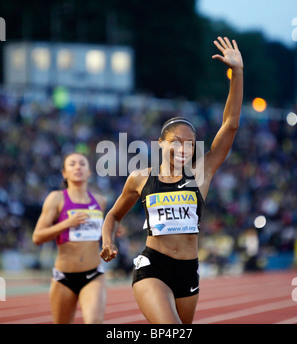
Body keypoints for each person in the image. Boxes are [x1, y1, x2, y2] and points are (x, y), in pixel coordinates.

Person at [100, 36, 243, 324]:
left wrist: (237, 73)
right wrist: (107, 240)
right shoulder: (141, 178)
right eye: (176, 142)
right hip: (153, 266)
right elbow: (114, 215)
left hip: (189, 270)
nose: (184, 148)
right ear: (161, 144)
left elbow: (230, 124)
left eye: (190, 144)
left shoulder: (200, 175)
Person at [32, 152, 107, 324]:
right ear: (64, 173)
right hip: (63, 276)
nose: (78, 167)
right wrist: (66, 223)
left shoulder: (100, 201)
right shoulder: (56, 198)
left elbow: (98, 233)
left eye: (82, 164)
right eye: (72, 164)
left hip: (93, 273)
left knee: (94, 321)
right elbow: (37, 237)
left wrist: (111, 230)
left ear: (89, 172)